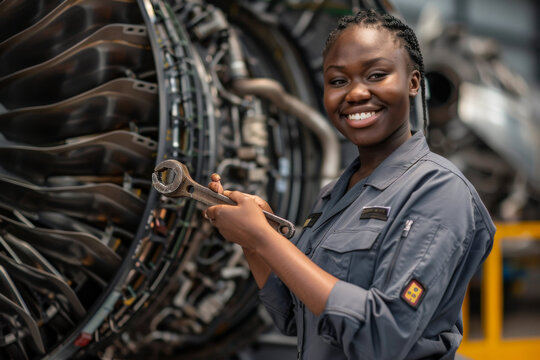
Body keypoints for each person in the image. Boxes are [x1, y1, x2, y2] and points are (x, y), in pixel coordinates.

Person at [204, 9, 495, 360]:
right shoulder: (336, 195)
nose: (355, 93)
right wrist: (255, 242)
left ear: (414, 82)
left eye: (376, 75)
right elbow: (297, 317)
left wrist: (263, 238)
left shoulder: (438, 192)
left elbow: (384, 336)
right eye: (338, 81)